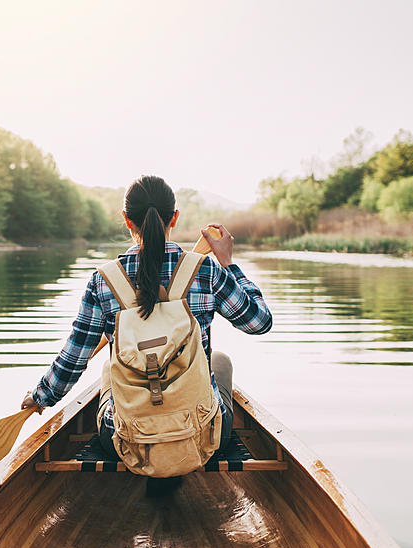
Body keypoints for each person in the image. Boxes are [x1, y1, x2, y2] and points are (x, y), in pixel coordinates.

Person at [20, 175, 272, 484]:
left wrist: (40, 396)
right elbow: (260, 322)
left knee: (108, 369)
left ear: (127, 220)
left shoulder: (104, 280)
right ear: (174, 218)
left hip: (124, 440)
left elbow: (73, 360)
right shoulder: (205, 269)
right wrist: (228, 263)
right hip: (203, 434)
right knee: (220, 360)